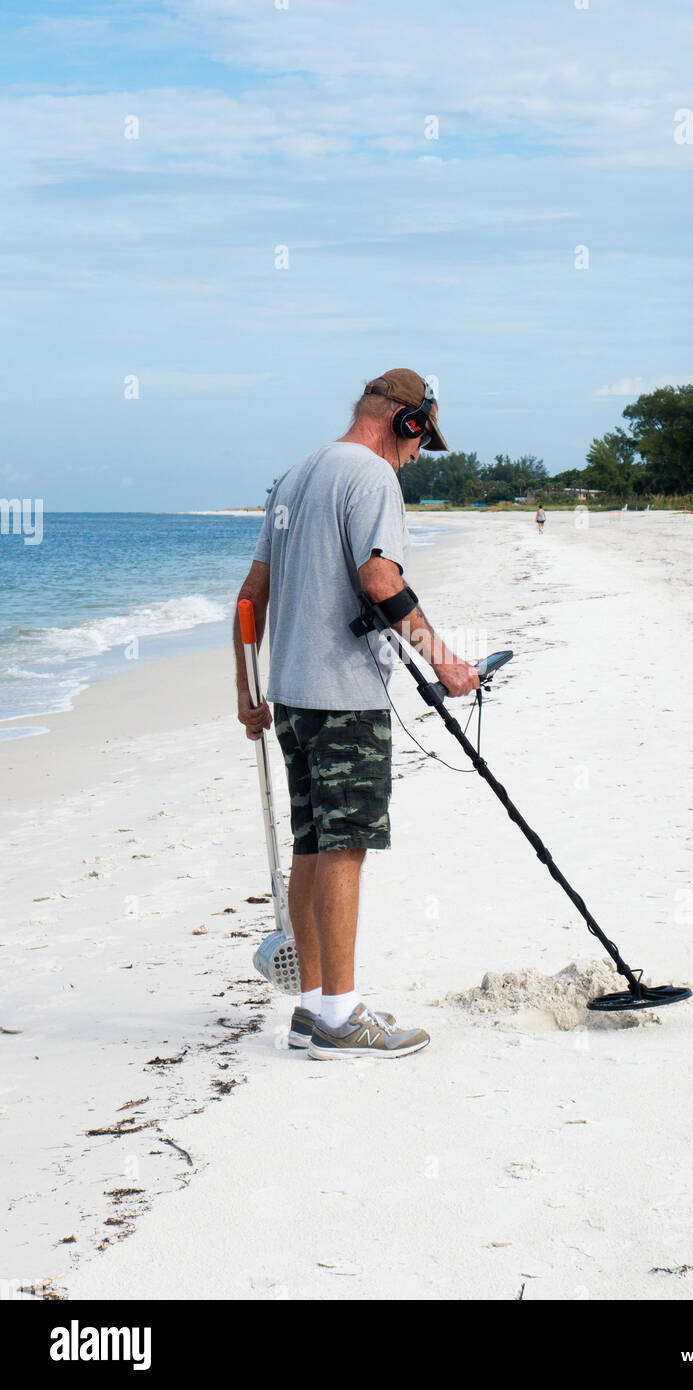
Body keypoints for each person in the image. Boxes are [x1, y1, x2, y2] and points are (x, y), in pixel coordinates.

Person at [233, 369, 479, 1060]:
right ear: (405, 422)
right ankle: (342, 1016)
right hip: (343, 698)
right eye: (420, 442)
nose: (416, 456)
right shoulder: (372, 477)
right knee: (345, 846)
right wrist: (446, 663)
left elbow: (251, 598)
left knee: (313, 842)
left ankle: (313, 1008)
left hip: (291, 695)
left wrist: (245, 692)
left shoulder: (295, 476)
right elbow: (381, 580)